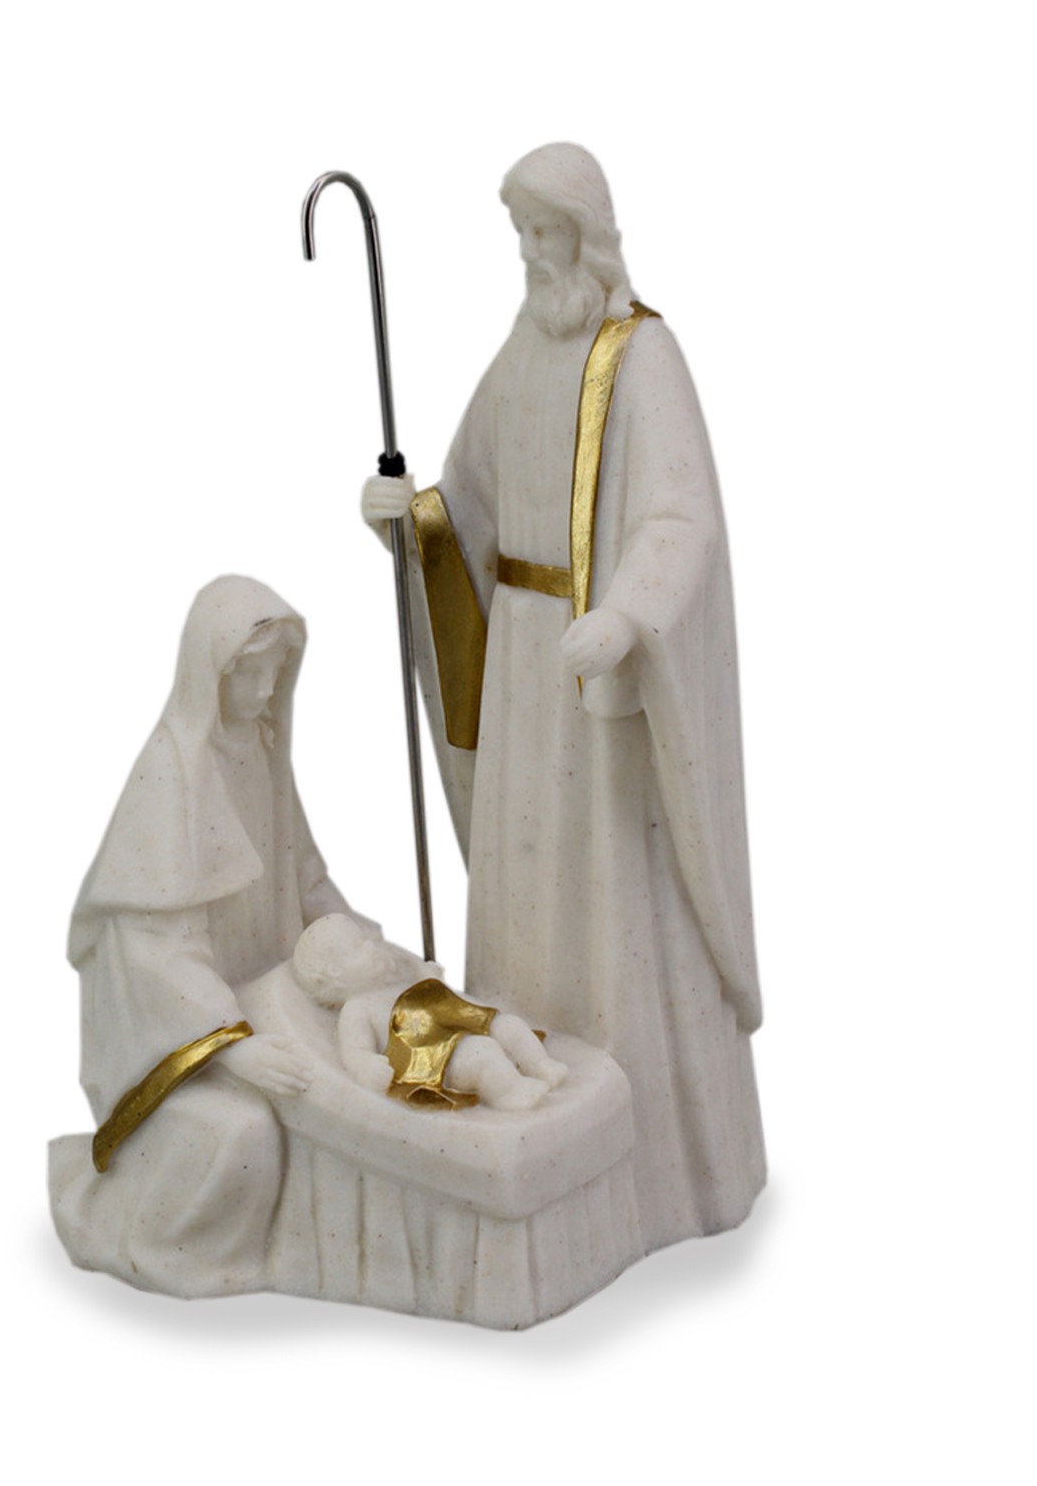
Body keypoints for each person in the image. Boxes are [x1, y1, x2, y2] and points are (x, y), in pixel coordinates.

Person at [361, 143, 766, 1248]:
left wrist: (628, 617)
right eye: (521, 236)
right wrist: (409, 519)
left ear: (590, 236)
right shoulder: (523, 353)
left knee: (614, 895)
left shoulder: (643, 356)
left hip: (597, 677)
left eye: (547, 233)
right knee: (532, 900)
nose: (533, 257)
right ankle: (535, 1127)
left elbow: (682, 520)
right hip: (522, 669)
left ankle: (658, 1171)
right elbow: (469, 504)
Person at [49, 575, 356, 1297]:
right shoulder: (172, 773)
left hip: (273, 997)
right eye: (248, 673)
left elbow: (304, 875)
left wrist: (364, 951)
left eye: (274, 672)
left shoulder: (262, 748)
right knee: (243, 1133)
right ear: (207, 670)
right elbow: (158, 952)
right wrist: (234, 1047)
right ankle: (154, 1237)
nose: (263, 689)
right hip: (178, 1048)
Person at [291, 913, 569, 1111]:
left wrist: (430, 979)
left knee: (508, 1025)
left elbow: (433, 1000)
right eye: (358, 947)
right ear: (335, 972)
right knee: (481, 1052)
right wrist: (365, 1067)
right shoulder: (357, 1009)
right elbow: (355, 1052)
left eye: (367, 940)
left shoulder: (393, 983)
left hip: (458, 1022)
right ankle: (509, 1093)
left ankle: (541, 1065)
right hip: (434, 1057)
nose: (372, 948)